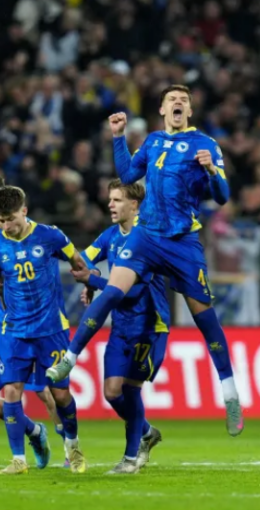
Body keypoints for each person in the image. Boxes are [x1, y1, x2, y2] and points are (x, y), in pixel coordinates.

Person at [47, 84, 244, 436]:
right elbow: (127, 176)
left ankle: (230, 394)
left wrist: (213, 172)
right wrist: (118, 137)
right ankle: (70, 359)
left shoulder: (205, 144)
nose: (178, 103)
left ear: (190, 111)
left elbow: (223, 197)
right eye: (172, 100)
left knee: (205, 318)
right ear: (162, 109)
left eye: (184, 100)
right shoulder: (153, 142)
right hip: (147, 236)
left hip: (182, 242)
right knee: (112, 292)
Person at [72, 179, 169, 474]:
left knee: (130, 389)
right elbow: (81, 260)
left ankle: (129, 460)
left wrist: (94, 281)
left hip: (148, 327)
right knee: (112, 392)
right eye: (110, 199)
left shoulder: (148, 239)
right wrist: (88, 271)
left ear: (134, 205)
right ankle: (146, 431)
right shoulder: (111, 235)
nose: (110, 205)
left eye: (116, 200)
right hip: (120, 326)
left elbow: (132, 290)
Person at [0, 181, 86, 474]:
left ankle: (73, 447)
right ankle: (18, 459)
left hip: (51, 329)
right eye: (1, 221)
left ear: (23, 211)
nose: (6, 226)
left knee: (59, 394)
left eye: (10, 219)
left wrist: (89, 283)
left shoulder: (50, 236)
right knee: (11, 390)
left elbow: (77, 260)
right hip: (14, 330)